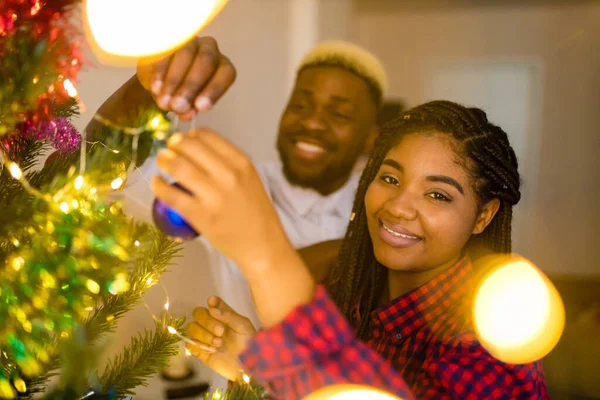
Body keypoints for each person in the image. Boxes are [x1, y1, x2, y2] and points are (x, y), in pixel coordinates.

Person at [153, 101, 549, 399]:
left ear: (483, 216)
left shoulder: (491, 349)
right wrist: (256, 368)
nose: (397, 206)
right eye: (390, 178)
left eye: (437, 194)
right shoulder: (348, 291)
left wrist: (266, 255)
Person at [88, 37, 388, 329]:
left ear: (371, 137)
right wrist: (145, 88)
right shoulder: (233, 183)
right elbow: (97, 163)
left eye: (339, 114)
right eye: (300, 105)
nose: (312, 123)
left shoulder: (387, 211)